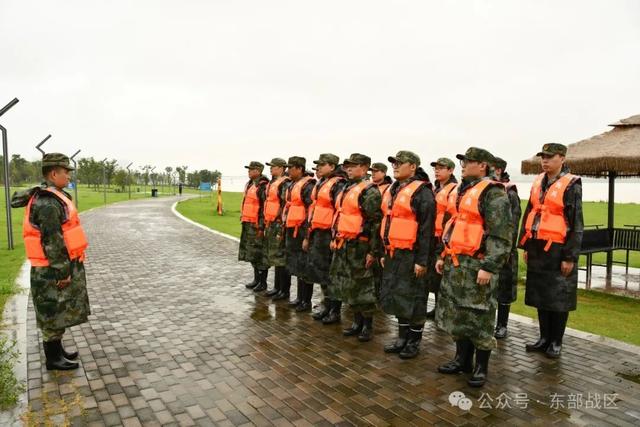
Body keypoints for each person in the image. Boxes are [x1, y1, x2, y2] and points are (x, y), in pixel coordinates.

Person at [435, 147, 512, 387]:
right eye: (463, 161)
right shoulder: (461, 190)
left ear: (483, 166)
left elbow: (501, 234)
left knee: (480, 315)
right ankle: (461, 360)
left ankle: (481, 367)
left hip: (477, 264)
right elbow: (453, 225)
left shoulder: (493, 193)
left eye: (469, 161)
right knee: (459, 313)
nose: (464, 165)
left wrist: (489, 266)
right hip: (456, 261)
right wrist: (443, 254)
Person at [11, 153, 91, 370]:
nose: (68, 176)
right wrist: (62, 272)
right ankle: (53, 359)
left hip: (52, 267)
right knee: (52, 313)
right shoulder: (47, 203)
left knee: (58, 311)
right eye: (65, 172)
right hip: (49, 269)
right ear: (54, 173)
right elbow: (52, 242)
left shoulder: (54, 196)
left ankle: (58, 352)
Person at [519, 143, 583, 358]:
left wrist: (569, 256)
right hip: (537, 246)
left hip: (558, 248)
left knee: (558, 297)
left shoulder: (571, 184)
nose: (544, 161)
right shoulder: (538, 181)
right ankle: (544, 338)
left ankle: (556, 341)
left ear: (562, 158)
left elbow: (576, 223)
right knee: (540, 295)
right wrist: (526, 244)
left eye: (549, 157)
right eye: (542, 157)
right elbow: (530, 211)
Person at [379, 151, 436, 359]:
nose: (395, 166)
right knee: (398, 296)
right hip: (394, 253)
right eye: (393, 163)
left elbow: (426, 230)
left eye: (400, 163)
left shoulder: (423, 192)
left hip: (413, 256)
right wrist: (385, 250)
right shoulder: (395, 188)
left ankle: (414, 342)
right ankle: (402, 337)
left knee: (416, 298)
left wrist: (422, 261)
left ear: (412, 167)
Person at [329, 153, 382, 342]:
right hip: (345, 244)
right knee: (350, 285)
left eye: (354, 166)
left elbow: (376, 224)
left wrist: (372, 252)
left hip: (361, 246)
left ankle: (367, 325)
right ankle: (356, 322)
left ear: (365, 167)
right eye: (347, 166)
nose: (349, 169)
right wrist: (335, 236)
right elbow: (340, 215)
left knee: (363, 286)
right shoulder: (346, 188)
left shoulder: (370, 191)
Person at [304, 154, 346, 323]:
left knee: (331, 275)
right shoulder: (322, 183)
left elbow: (339, 212)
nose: (318, 168)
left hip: (329, 234)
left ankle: (335, 311)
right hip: (318, 233)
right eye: (318, 165)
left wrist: (335, 236)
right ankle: (326, 305)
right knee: (321, 272)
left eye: (322, 164)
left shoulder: (338, 185)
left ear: (332, 166)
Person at [492, 157, 521, 339]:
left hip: (505, 248)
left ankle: (502, 324)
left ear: (500, 170)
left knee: (504, 287)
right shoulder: (487, 190)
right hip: (487, 247)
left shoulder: (509, 192)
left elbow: (514, 222)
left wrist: (508, 249)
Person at [282, 156, 317, 311]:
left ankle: (306, 301)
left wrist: (307, 236)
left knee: (304, 267)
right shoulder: (293, 184)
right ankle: (299, 298)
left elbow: (311, 212)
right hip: (292, 230)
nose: (288, 170)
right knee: (296, 265)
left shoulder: (307, 186)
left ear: (299, 169)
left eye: (291, 167)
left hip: (302, 231)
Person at [426, 157, 457, 319]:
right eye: (435, 168)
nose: (437, 170)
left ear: (451, 170)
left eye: (441, 168)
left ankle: (444, 311)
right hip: (432, 236)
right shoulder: (435, 188)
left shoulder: (454, 189)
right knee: (434, 277)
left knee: (443, 276)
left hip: (444, 238)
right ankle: (437, 308)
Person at [262, 158, 292, 300]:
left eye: (273, 166)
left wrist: (281, 223)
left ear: (281, 168)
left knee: (281, 258)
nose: (270, 169)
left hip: (279, 223)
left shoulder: (284, 183)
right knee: (275, 257)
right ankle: (277, 287)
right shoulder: (273, 182)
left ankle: (284, 290)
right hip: (271, 223)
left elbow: (284, 203)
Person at [239, 161, 270, 292]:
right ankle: (256, 279)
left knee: (259, 253)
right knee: (252, 253)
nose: (249, 171)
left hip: (257, 224)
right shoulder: (251, 184)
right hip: (248, 222)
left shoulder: (262, 185)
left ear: (258, 171)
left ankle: (262, 282)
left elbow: (264, 207)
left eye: (251, 169)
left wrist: (262, 226)